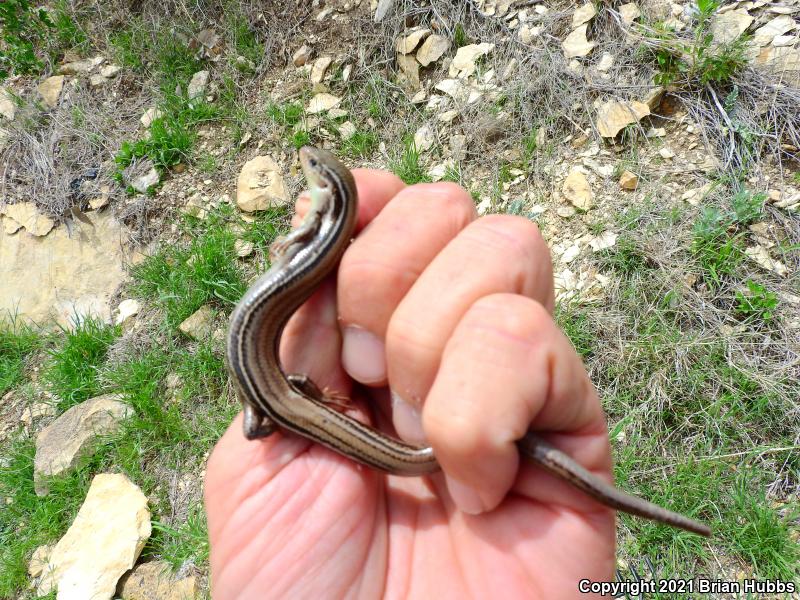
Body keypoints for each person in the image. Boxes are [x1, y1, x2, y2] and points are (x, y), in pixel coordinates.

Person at [205, 168, 616, 598]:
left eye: (314, 169)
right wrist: (303, 394)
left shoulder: (272, 413)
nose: (304, 165)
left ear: (326, 191)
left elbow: (260, 426)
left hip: (280, 399)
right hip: (285, 397)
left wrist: (298, 398)